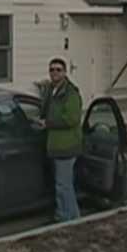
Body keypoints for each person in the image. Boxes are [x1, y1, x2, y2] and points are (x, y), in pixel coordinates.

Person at [34, 57, 83, 222]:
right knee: (61, 185)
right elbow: (45, 110)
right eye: (52, 70)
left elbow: (71, 119)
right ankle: (65, 214)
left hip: (67, 146)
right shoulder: (51, 91)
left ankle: (70, 217)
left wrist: (48, 123)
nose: (54, 73)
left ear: (65, 72)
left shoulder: (71, 93)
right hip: (54, 146)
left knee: (63, 185)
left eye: (58, 70)